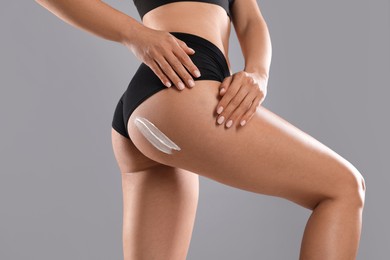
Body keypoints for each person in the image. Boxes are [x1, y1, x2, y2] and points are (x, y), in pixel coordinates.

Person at [35, 0, 366, 259]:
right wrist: (134, 34)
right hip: (183, 90)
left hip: (159, 102)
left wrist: (258, 74)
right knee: (344, 187)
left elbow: (251, 20)